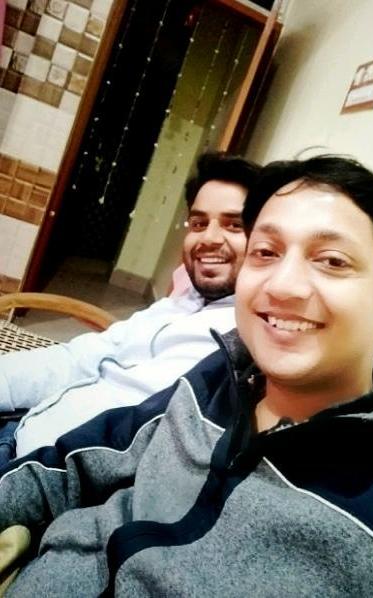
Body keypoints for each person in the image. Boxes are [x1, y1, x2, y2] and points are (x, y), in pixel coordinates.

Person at [0, 154, 373, 596]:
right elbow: (78, 459)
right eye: (266, 252)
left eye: (331, 260)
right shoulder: (220, 376)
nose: (283, 285)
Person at [0, 151, 261, 462]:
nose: (209, 238)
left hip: (37, 468)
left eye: (234, 225)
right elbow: (78, 357)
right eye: (198, 223)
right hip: (21, 425)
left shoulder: (242, 341)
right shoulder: (177, 305)